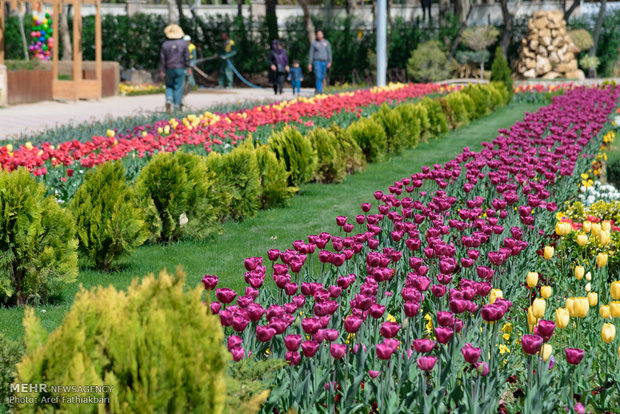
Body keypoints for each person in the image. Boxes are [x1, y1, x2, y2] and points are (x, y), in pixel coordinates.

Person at [159, 24, 190, 112]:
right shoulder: (183, 44)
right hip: (180, 68)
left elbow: (162, 58)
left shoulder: (165, 45)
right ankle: (177, 105)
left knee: (169, 86)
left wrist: (161, 69)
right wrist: (188, 67)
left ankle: (169, 99)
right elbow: (187, 57)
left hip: (169, 68)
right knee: (178, 87)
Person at [307, 30, 332, 94]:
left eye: (320, 34)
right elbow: (311, 53)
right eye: (318, 34)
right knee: (318, 76)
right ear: (316, 35)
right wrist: (309, 63)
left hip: (325, 62)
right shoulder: (314, 43)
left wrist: (330, 61)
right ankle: (319, 91)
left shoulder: (326, 43)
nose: (319, 35)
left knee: (322, 76)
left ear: (323, 35)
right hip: (317, 62)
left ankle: (318, 88)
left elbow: (329, 52)